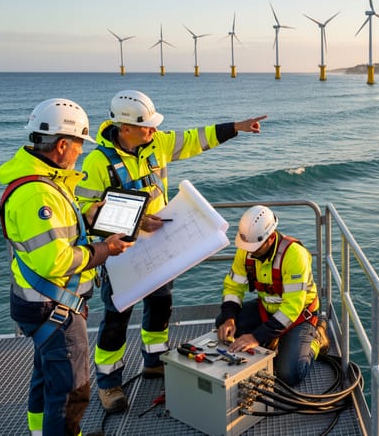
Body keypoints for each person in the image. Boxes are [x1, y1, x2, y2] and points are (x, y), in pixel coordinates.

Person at [75, 89, 267, 413]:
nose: (153, 130)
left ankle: (154, 361)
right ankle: (109, 385)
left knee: (161, 305)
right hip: (120, 253)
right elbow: (86, 211)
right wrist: (136, 224)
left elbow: (195, 138)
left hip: (161, 248)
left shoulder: (158, 144)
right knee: (116, 319)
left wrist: (237, 126)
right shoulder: (97, 162)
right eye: (146, 126)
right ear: (124, 128)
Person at [0, 98, 133, 435]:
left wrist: (87, 218)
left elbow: (55, 235)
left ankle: (39, 432)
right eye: (77, 146)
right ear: (61, 145)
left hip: (39, 303)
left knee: (46, 377)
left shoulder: (45, 182)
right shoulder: (38, 195)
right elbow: (55, 260)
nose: (79, 153)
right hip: (52, 307)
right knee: (71, 392)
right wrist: (104, 249)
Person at [215, 205, 329, 386]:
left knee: (289, 374)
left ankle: (316, 339)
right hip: (266, 310)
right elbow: (233, 287)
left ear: (269, 238)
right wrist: (229, 318)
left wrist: (257, 337)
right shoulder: (246, 250)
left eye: (255, 247)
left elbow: (292, 308)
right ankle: (274, 337)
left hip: (298, 317)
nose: (249, 251)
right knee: (222, 324)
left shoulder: (295, 256)